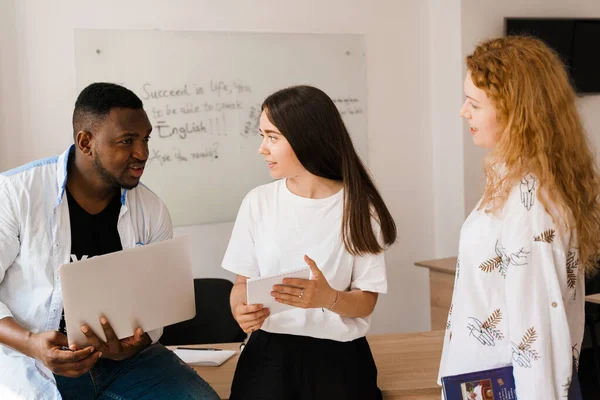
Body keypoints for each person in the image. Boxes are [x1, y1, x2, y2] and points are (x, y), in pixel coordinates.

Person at [0, 83, 219, 399]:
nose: (142, 153)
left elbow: (159, 306)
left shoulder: (152, 210)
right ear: (86, 142)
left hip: (125, 361)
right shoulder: (16, 194)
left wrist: (134, 345)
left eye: (145, 139)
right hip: (31, 355)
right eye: (127, 141)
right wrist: (32, 344)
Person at [438, 36, 600, 399]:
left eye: (474, 104)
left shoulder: (531, 204)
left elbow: (538, 333)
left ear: (514, 112)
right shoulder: (513, 182)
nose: (463, 112)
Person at [222, 85, 397, 399]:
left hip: (339, 361)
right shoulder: (258, 202)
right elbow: (241, 283)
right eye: (262, 136)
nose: (262, 148)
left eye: (272, 137)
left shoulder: (359, 206)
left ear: (307, 138)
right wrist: (240, 309)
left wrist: (327, 298)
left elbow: (366, 301)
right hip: (268, 356)